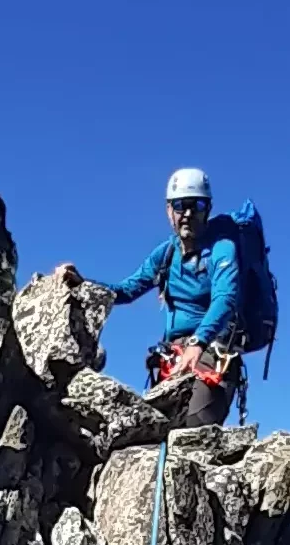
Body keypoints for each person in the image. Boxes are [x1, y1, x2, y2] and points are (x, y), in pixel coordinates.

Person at [55, 167, 245, 428]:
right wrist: (83, 283)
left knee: (192, 430)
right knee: (155, 431)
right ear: (169, 210)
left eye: (197, 205)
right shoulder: (166, 254)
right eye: (180, 205)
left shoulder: (223, 249)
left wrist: (198, 342)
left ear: (208, 208)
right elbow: (127, 290)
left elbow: (225, 298)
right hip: (175, 356)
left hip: (213, 351)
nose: (188, 214)